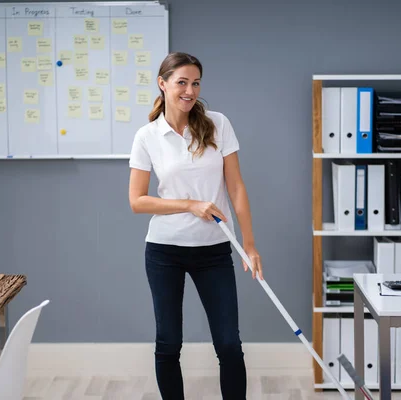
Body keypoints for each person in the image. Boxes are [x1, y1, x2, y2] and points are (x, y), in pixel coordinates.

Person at [128, 51, 263, 400]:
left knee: (229, 344)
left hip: (215, 249)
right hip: (164, 251)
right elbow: (137, 201)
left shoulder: (217, 123)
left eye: (196, 82)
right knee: (168, 342)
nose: (190, 90)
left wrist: (249, 245)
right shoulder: (147, 136)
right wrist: (190, 204)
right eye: (181, 82)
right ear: (163, 84)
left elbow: (236, 187)